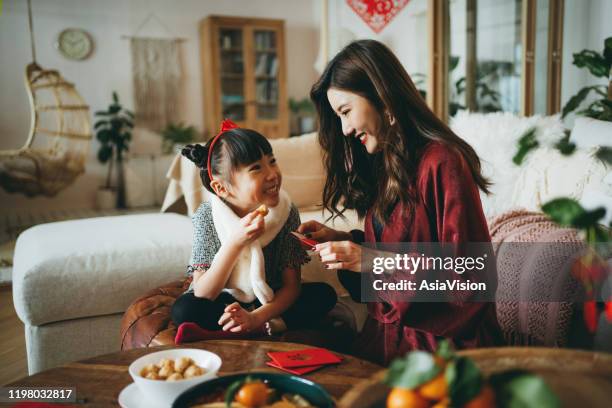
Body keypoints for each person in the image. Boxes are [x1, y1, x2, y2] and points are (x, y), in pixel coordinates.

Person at [298, 40, 504, 365]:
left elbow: (472, 275)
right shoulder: (385, 161)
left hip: (441, 353)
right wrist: (345, 243)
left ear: (380, 94)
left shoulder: (443, 162)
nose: (345, 128)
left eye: (346, 112)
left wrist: (370, 261)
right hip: (386, 344)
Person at [171, 119, 336, 341]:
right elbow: (203, 291)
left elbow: (291, 287)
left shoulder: (286, 212)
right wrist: (235, 242)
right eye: (256, 168)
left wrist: (256, 318)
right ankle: (255, 326)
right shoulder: (208, 216)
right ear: (220, 188)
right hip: (224, 299)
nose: (272, 174)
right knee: (184, 310)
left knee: (323, 295)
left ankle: (255, 327)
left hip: (269, 300)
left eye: (272, 161)